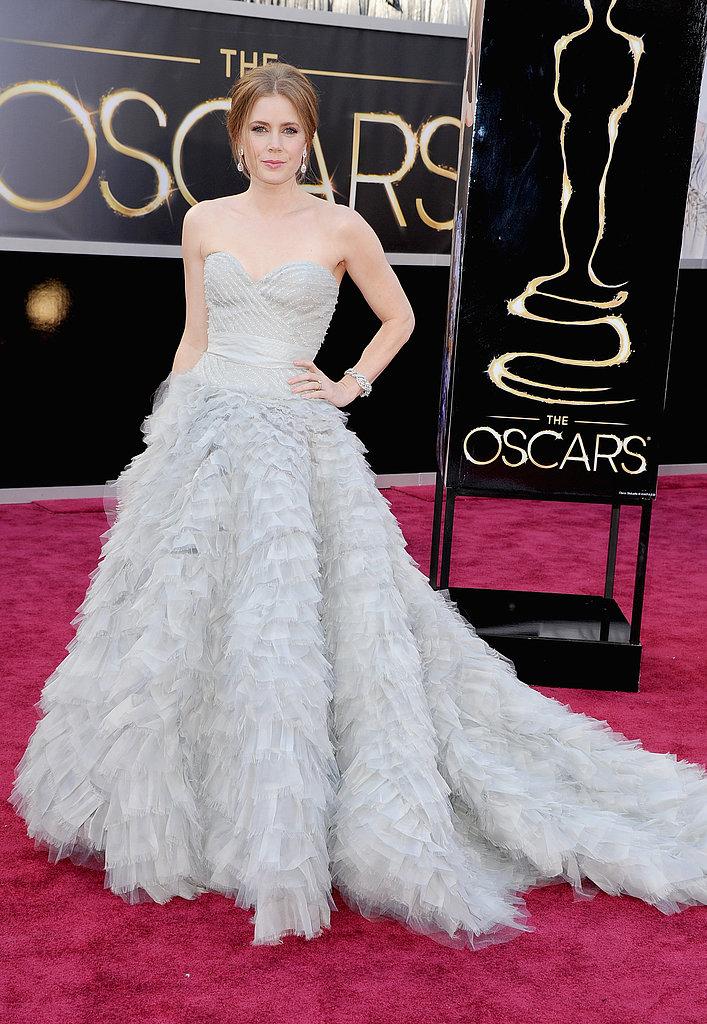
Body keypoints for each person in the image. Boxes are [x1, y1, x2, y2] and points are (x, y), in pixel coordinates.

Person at [9, 61, 707, 950]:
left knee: (289, 622)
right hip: (206, 430)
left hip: (296, 442)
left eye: (289, 131)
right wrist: (163, 434)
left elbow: (400, 317)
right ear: (237, 136)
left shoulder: (340, 224)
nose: (274, 145)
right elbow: (195, 332)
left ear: (309, 139)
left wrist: (351, 385)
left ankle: (288, 808)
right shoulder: (202, 220)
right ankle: (173, 798)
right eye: (259, 129)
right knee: (174, 620)